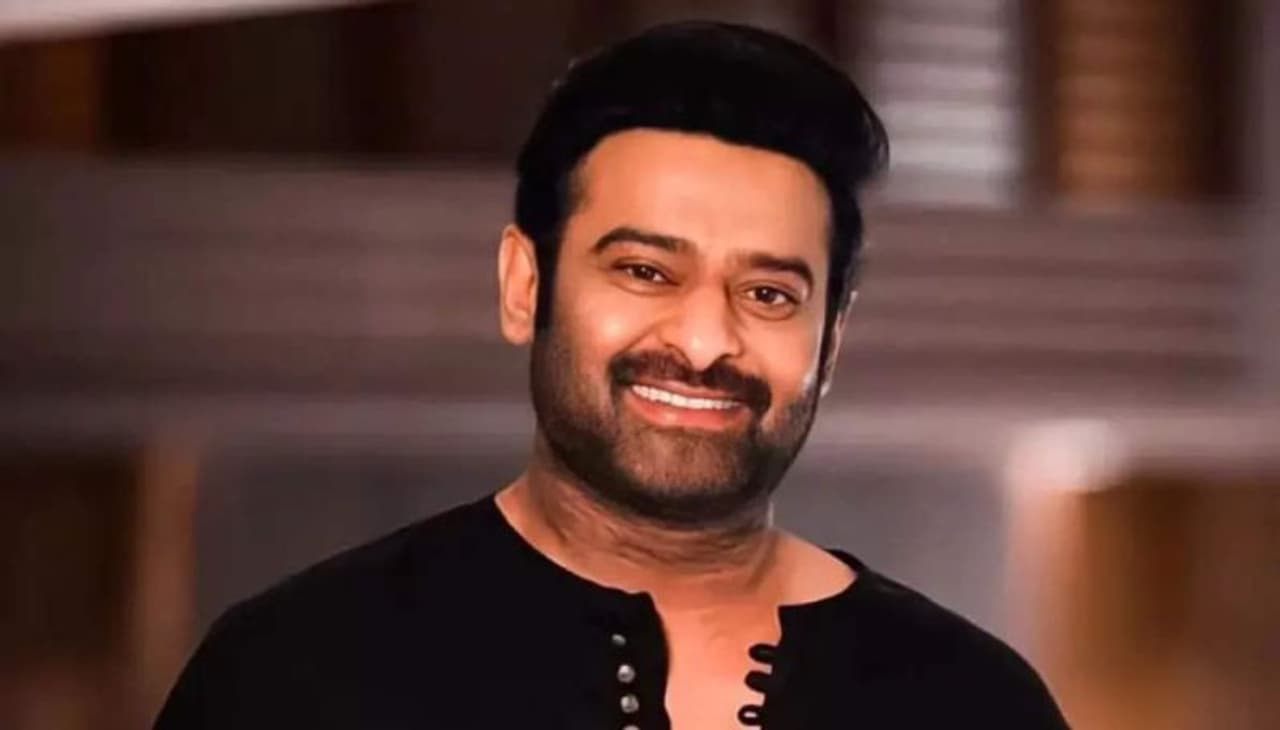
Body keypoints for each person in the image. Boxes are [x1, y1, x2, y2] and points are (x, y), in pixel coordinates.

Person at [155, 21, 1067, 729]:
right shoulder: (293, 672)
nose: (704, 342)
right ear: (525, 285)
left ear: (831, 341)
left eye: (768, 294)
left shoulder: (972, 702)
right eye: (645, 272)